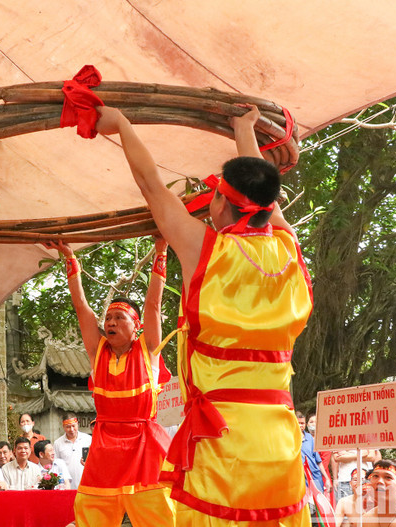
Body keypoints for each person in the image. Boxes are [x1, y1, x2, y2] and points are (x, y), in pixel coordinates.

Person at [94, 104, 313, 525]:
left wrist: (121, 124)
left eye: (214, 194)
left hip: (223, 437)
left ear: (221, 204)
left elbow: (152, 186)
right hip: (280, 438)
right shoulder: (289, 250)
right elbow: (264, 199)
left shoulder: (206, 251)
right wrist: (243, 130)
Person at [48, 234, 174, 527]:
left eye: (119, 318)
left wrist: (161, 251)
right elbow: (82, 308)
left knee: (159, 514)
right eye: (108, 319)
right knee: (91, 511)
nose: (111, 323)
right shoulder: (98, 352)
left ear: (137, 326)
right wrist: (70, 260)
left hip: (144, 444)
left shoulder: (149, 349)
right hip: (105, 446)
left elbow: (153, 305)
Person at [53, 413, 92, 488]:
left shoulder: (88, 439)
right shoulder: (58, 443)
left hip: (85, 481)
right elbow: (56, 464)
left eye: (73, 426)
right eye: (68, 427)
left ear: (77, 424)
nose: (71, 430)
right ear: (63, 426)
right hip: (66, 484)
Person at [297, 411, 329, 494]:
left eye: (302, 423)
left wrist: (327, 478)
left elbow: (318, 461)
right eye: (298, 423)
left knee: (318, 504)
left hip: (315, 477)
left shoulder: (310, 438)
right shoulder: (291, 440)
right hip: (301, 479)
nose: (301, 425)